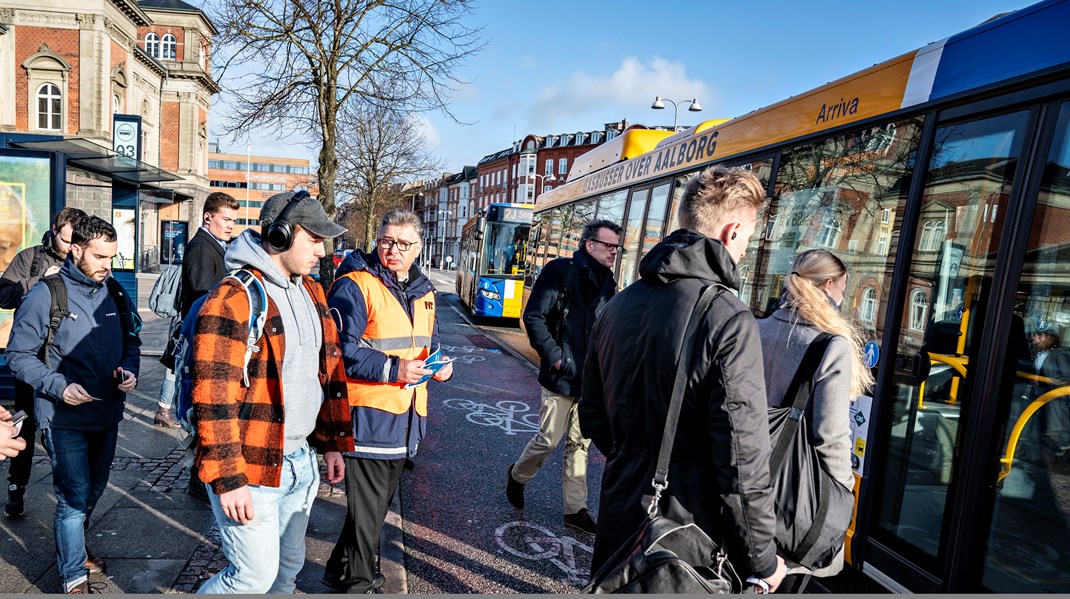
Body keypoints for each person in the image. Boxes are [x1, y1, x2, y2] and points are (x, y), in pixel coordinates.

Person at [580, 166, 787, 593]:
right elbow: (742, 459)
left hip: (620, 505)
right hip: (688, 527)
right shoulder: (727, 317)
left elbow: (592, 415)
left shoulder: (619, 304)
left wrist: (638, 457)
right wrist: (763, 561)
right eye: (748, 238)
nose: (746, 250)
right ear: (731, 232)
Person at [191, 190, 353, 594]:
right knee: (251, 579)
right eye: (314, 238)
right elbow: (213, 398)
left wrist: (331, 443)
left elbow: (328, 373)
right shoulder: (233, 298)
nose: (322, 249)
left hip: (301, 462)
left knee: (286, 572)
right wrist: (228, 478)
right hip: (253, 467)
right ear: (280, 235)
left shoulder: (312, 291)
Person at [5, 216, 141, 594]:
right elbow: (18, 355)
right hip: (62, 416)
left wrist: (129, 370)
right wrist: (58, 386)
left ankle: (74, 547)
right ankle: (72, 575)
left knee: (94, 489)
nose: (107, 265)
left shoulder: (115, 291)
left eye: (112, 258)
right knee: (73, 494)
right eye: (99, 257)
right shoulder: (45, 294)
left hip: (107, 412)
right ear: (76, 249)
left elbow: (132, 340)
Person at [324, 210, 452, 593]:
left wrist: (441, 365)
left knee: (373, 509)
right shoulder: (355, 285)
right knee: (368, 511)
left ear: (418, 248)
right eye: (385, 241)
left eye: (403, 244)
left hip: (408, 417)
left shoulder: (424, 290)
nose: (392, 250)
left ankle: (340, 570)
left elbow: (431, 343)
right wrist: (394, 369)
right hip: (368, 417)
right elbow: (339, 351)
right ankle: (359, 584)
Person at [756, 248, 874, 593]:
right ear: (828, 284)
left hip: (745, 474)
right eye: (842, 288)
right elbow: (831, 435)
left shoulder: (757, 327)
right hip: (795, 493)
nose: (843, 296)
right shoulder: (830, 344)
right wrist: (842, 491)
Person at [506, 219, 621, 535]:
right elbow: (534, 317)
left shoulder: (609, 285)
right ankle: (517, 475)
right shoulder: (560, 271)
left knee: (579, 446)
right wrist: (555, 358)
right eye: (609, 245)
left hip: (589, 383)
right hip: (561, 377)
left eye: (616, 247)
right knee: (548, 439)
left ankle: (575, 510)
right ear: (590, 245)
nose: (614, 252)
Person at [0, 206, 86, 518]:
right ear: (54, 231)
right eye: (66, 241)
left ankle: (71, 495)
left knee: (63, 430)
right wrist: (39, 280)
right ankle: (16, 486)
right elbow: (3, 296)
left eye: (76, 242)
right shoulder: (31, 257)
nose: (71, 249)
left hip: (66, 362)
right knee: (26, 421)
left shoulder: (86, 260)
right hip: (31, 361)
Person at [155, 192, 240, 431]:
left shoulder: (212, 245)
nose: (230, 226)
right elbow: (202, 296)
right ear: (207, 217)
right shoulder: (202, 248)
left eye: (233, 221)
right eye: (225, 219)